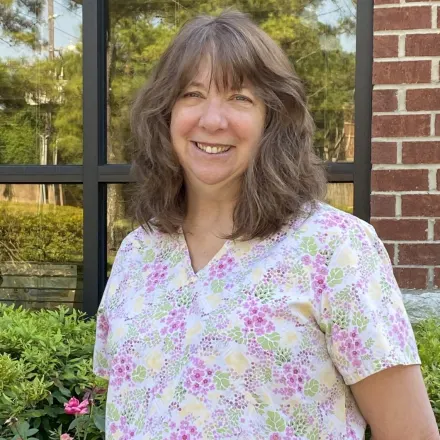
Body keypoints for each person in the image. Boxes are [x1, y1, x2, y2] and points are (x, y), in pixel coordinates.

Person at [93, 10, 439, 440]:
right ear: (165, 113)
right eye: (192, 94)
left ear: (272, 120)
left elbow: (410, 434)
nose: (212, 119)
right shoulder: (137, 252)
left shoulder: (335, 248)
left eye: (240, 98)